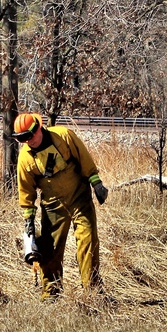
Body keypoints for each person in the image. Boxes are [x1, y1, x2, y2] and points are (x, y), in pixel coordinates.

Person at [14, 112, 109, 299]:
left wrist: (96, 183)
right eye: (21, 139)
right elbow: (26, 191)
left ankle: (92, 292)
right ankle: (51, 293)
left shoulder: (63, 136)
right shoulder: (25, 159)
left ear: (39, 128)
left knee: (88, 241)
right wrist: (29, 221)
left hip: (79, 198)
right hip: (53, 206)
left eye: (29, 136)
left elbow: (84, 157)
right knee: (50, 250)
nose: (27, 141)